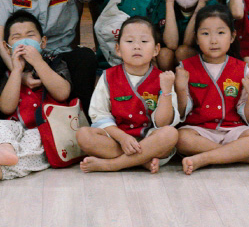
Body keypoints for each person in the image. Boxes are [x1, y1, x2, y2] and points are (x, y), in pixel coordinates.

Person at [0, 11, 73, 185]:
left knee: (35, 146)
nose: (24, 41)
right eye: (16, 37)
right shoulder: (9, 72)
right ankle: (5, 151)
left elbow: (62, 93)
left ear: (43, 42)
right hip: (16, 127)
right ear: (7, 46)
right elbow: (6, 107)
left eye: (30, 35)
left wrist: (38, 62)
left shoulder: (55, 64)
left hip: (45, 128)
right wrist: (16, 70)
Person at [172, 3, 249, 173]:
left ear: (232, 36)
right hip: (199, 131)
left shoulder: (243, 69)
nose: (213, 40)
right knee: (180, 138)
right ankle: (245, 157)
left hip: (233, 131)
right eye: (205, 34)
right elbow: (182, 113)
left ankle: (205, 158)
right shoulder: (185, 68)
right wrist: (181, 88)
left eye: (221, 33)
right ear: (196, 38)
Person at [76, 17, 180, 173]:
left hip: (150, 139)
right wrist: (122, 138)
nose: (137, 46)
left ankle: (112, 165)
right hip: (117, 140)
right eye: (130, 41)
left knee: (170, 134)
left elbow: (162, 123)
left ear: (156, 49)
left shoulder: (163, 78)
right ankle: (142, 160)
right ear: (118, 49)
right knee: (83, 135)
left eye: (144, 41)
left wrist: (166, 91)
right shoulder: (108, 76)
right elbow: (99, 115)